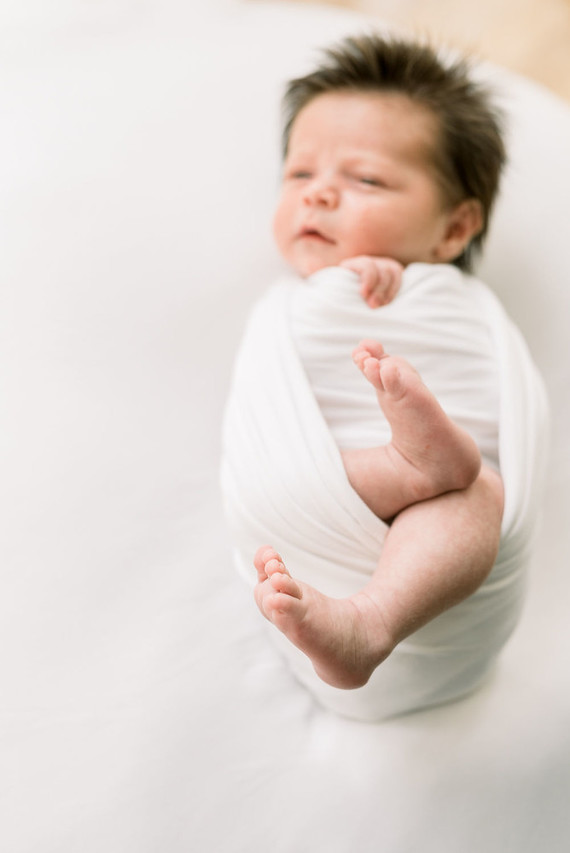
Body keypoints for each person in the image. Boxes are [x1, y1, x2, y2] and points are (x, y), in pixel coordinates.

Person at [223, 34, 521, 716]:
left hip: (442, 523)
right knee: (452, 478)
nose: (320, 194)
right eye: (299, 176)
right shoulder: (286, 306)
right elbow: (260, 419)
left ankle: (371, 621)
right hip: (325, 481)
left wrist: (383, 277)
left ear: (452, 232)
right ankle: (406, 467)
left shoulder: (449, 302)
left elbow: (495, 392)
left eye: (367, 180)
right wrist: (343, 279)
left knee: (482, 494)